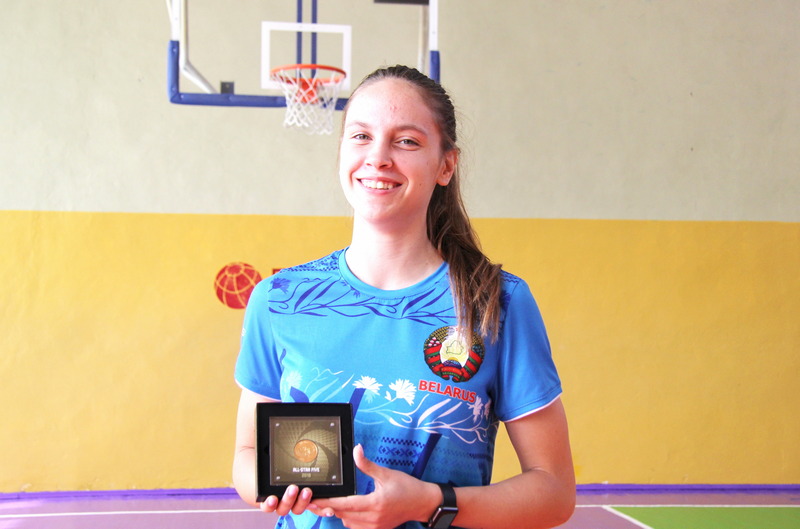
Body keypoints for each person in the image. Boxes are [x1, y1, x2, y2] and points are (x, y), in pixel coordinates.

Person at [233, 65, 575, 529]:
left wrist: (429, 503)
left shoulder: (497, 302)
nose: (378, 158)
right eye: (361, 136)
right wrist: (275, 487)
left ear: (445, 165)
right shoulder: (279, 299)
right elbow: (248, 454)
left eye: (406, 141)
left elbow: (554, 492)